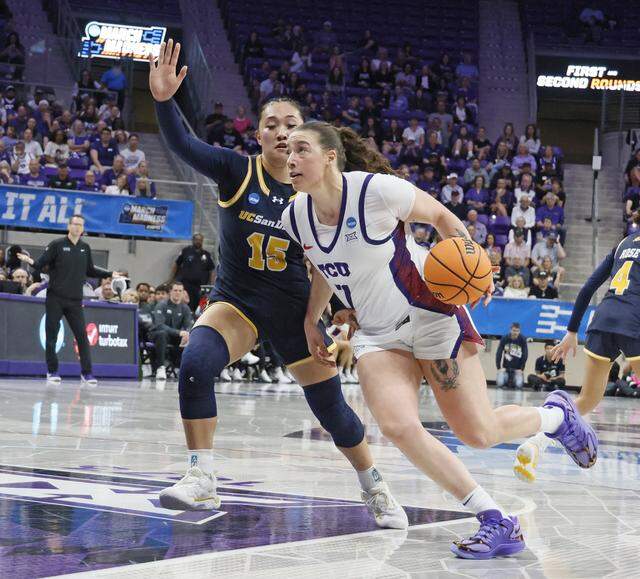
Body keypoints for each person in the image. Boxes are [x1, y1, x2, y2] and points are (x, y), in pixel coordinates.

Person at [283, 120, 598, 559]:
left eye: (301, 149)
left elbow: (443, 218)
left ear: (330, 156)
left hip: (431, 315)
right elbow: (321, 267)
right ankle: (495, 519)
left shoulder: (376, 191)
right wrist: (310, 320)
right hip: (377, 333)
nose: (290, 158)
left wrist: (477, 267)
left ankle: (555, 418)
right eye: (287, 152)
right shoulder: (294, 215)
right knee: (396, 425)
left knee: (478, 434)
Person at [148, 39, 405, 526]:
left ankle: (374, 483)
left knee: (332, 411)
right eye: (272, 124)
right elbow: (182, 145)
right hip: (238, 300)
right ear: (259, 134)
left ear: (304, 135)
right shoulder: (235, 171)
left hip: (297, 308)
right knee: (196, 363)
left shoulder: (321, 188)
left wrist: (341, 315)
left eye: (291, 125)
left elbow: (343, 258)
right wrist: (164, 102)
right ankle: (201, 477)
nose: (282, 132)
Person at [515, 221, 640, 483]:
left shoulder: (622, 244)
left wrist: (571, 332)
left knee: (586, 400)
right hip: (634, 320)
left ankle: (536, 444)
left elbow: (587, 289)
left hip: (603, 318)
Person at [17, 215, 123, 385]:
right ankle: (52, 371)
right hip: (55, 298)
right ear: (68, 226)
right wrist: (29, 260)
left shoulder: (85, 247)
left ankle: (86, 373)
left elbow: (90, 270)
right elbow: (40, 264)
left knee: (82, 336)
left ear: (83, 229)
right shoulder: (57, 245)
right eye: (74, 224)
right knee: (51, 336)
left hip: (75, 301)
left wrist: (110, 274)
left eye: (80, 225)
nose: (77, 227)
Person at [150, 282, 193, 380]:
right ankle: (161, 367)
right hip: (156, 334)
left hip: (174, 336)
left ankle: (186, 369)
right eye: (175, 290)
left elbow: (188, 325)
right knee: (162, 334)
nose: (177, 293)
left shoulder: (185, 308)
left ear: (183, 293)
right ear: (170, 292)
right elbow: (159, 325)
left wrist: (187, 333)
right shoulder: (161, 305)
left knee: (192, 337)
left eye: (180, 291)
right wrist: (179, 333)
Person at [170, 233, 216, 312]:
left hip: (200, 286)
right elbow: (176, 264)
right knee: (186, 305)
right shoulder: (186, 251)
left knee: (199, 306)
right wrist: (171, 279)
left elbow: (212, 270)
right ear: (193, 240)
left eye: (200, 240)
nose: (198, 241)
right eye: (197, 240)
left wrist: (212, 284)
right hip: (186, 285)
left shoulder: (206, 254)